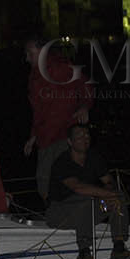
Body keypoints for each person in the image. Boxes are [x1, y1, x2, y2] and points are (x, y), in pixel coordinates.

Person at [22, 34, 94, 203]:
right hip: (45, 138)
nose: (27, 58)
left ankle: (68, 214)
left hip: (64, 135)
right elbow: (38, 111)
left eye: (29, 53)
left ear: (42, 51)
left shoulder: (60, 67)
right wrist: (33, 136)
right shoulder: (34, 77)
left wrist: (84, 106)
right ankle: (56, 213)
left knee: (66, 180)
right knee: (44, 182)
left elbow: (85, 84)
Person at [45, 124, 129, 259]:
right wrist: (107, 194)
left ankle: (119, 246)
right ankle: (84, 252)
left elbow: (108, 180)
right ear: (70, 142)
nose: (85, 139)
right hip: (60, 213)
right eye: (79, 136)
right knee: (87, 201)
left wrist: (109, 193)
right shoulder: (62, 162)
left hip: (87, 208)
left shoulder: (93, 157)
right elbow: (78, 187)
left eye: (87, 135)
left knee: (117, 198)